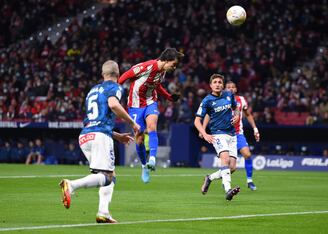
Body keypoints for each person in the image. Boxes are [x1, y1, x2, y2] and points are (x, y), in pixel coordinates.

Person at [59, 60, 140, 223]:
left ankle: (103, 213)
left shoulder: (92, 91)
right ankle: (71, 185)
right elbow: (113, 104)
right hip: (99, 137)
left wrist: (117, 136)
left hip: (85, 136)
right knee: (107, 176)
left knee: (109, 175)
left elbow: (95, 120)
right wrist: (132, 123)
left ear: (103, 74)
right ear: (118, 75)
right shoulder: (115, 87)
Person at [118, 48, 184, 183]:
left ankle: (152, 160)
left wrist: (169, 97)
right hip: (135, 105)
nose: (174, 67)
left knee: (152, 126)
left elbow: (157, 85)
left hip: (150, 102)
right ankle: (144, 166)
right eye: (174, 63)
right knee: (140, 139)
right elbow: (125, 76)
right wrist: (113, 92)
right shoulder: (146, 67)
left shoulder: (163, 71)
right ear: (166, 60)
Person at [194, 74, 241, 201]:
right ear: (211, 85)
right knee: (224, 159)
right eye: (215, 82)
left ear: (222, 84)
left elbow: (236, 108)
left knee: (232, 168)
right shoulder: (207, 101)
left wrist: (237, 116)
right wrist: (204, 134)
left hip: (232, 134)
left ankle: (209, 178)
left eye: (220, 82)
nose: (218, 84)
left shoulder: (228, 95)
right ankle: (228, 190)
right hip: (218, 134)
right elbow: (197, 121)